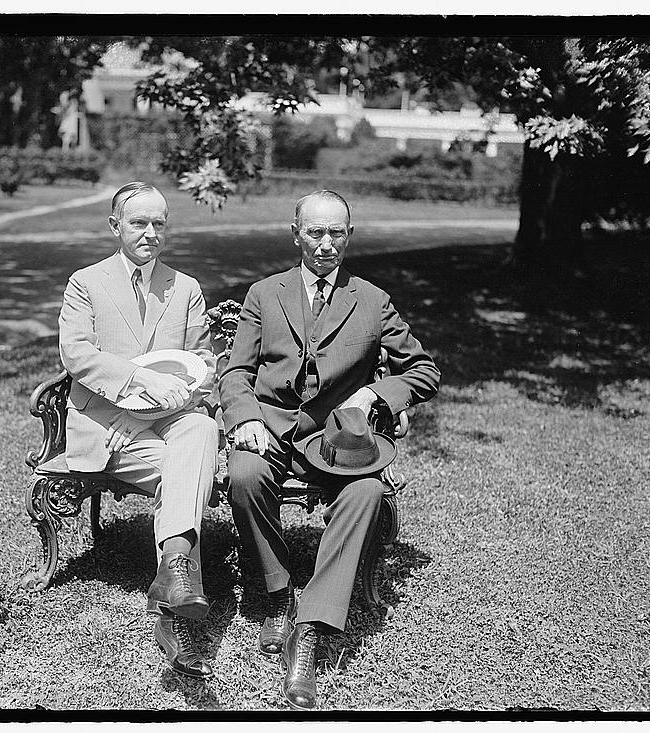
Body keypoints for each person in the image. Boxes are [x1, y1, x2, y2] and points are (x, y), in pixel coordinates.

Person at [219, 190, 441, 709]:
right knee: (245, 475)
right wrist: (247, 418)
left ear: (349, 236)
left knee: (366, 492)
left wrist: (375, 395)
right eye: (315, 233)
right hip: (271, 429)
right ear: (295, 234)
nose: (325, 245)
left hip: (337, 443)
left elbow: (424, 369)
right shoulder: (264, 294)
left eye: (336, 233)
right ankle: (277, 597)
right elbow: (235, 372)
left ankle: (311, 629)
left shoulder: (372, 299)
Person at [58, 182, 220, 679]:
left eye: (159, 224)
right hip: (108, 428)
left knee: (197, 430)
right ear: (115, 226)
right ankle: (176, 586)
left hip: (168, 421)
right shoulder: (86, 283)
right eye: (138, 223)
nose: (150, 233)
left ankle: (171, 575)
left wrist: (179, 392)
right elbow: (78, 355)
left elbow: (202, 362)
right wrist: (140, 382)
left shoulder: (185, 287)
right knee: (190, 467)